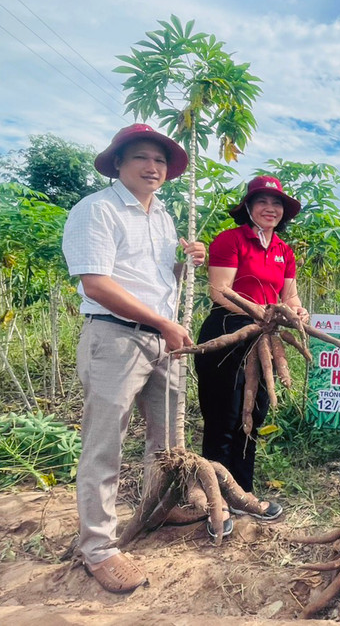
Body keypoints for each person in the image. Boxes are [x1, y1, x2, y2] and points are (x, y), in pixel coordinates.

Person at [62, 124, 206, 593]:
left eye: (160, 161)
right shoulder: (96, 210)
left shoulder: (162, 216)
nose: (152, 167)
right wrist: (163, 323)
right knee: (105, 444)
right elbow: (97, 284)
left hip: (163, 338)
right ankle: (98, 548)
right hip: (116, 338)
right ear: (119, 163)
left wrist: (187, 262)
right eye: (142, 157)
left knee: (167, 440)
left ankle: (159, 507)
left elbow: (158, 278)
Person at [194, 175, 307, 530]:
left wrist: (298, 312)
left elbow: (290, 296)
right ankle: (215, 500)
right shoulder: (231, 240)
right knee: (223, 418)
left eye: (277, 204)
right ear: (248, 206)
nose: (270, 209)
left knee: (252, 417)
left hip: (263, 339)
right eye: (262, 202)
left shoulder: (284, 250)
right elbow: (219, 291)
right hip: (228, 332)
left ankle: (242, 493)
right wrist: (262, 311)